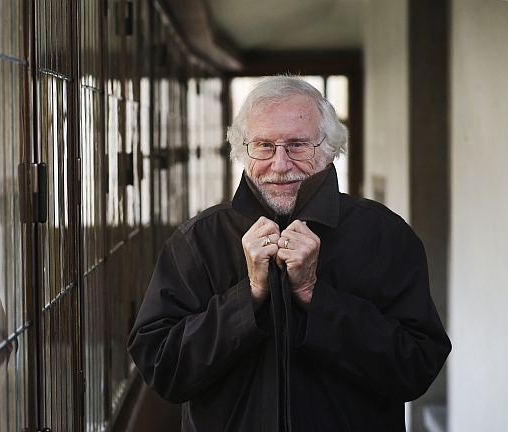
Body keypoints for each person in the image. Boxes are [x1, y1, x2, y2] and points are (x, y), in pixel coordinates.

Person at [127, 75, 451, 431]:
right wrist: (248, 296)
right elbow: (163, 369)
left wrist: (315, 296)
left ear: (329, 150)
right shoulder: (198, 240)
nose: (280, 165)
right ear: (242, 150)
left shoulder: (383, 234)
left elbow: (417, 367)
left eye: (297, 145)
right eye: (264, 145)